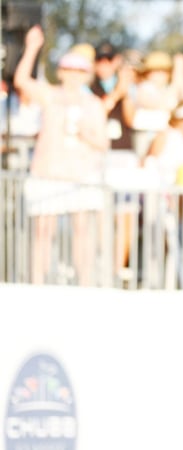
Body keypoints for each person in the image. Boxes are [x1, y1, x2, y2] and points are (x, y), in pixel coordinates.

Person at [14, 25, 110, 286]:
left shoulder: (93, 104)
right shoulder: (50, 96)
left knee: (82, 232)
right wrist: (32, 48)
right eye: (69, 69)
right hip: (48, 173)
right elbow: (21, 81)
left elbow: (102, 142)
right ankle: (38, 283)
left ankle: (85, 283)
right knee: (43, 232)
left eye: (80, 71)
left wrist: (87, 135)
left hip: (79, 176)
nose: (74, 75)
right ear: (61, 72)